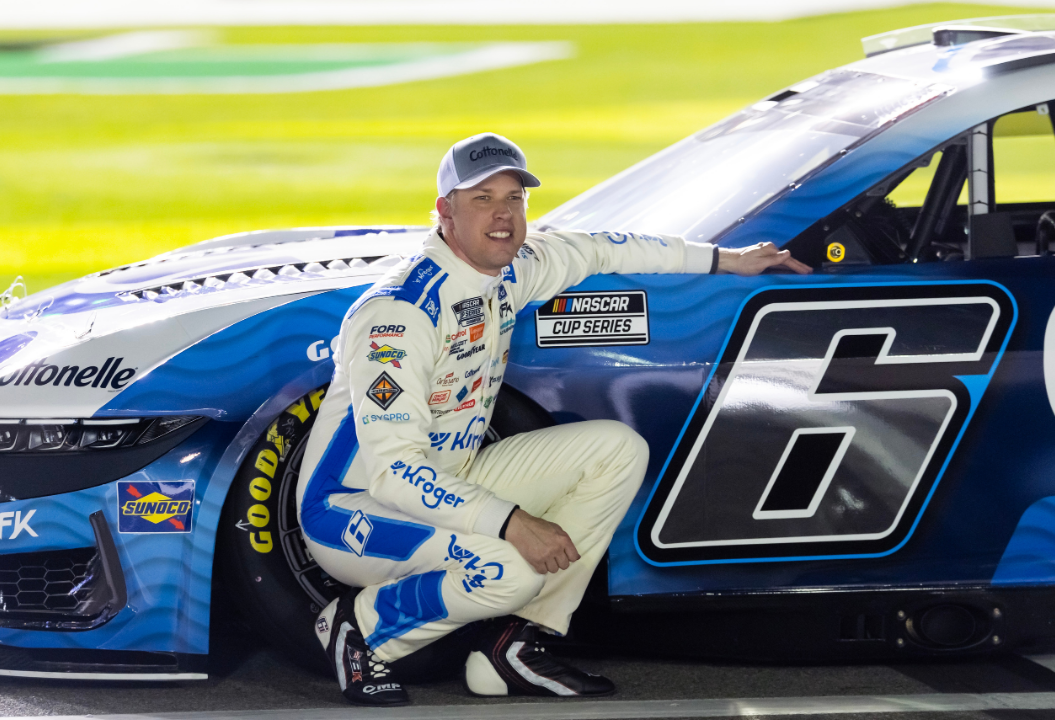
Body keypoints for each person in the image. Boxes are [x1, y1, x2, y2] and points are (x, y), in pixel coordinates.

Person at [297, 132, 810, 706]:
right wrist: (512, 522)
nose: (502, 215)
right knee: (508, 569)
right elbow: (393, 472)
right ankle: (360, 631)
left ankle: (514, 647)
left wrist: (726, 260)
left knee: (616, 451)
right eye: (481, 199)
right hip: (352, 510)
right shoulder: (397, 315)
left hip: (447, 482)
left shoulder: (512, 269)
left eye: (513, 199)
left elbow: (600, 247)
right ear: (444, 211)